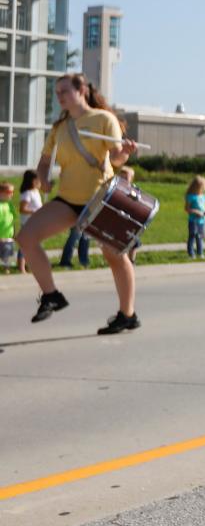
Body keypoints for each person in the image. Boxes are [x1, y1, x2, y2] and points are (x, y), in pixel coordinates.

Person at [17, 73, 141, 333]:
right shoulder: (59, 128)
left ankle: (127, 314)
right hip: (68, 199)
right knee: (26, 237)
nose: (59, 96)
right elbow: (43, 162)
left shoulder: (103, 119)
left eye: (64, 91)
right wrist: (43, 177)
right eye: (57, 92)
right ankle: (51, 295)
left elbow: (117, 158)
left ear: (81, 90)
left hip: (100, 199)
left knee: (114, 255)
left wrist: (125, 152)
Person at [17, 169, 42, 273]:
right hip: (28, 223)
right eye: (38, 180)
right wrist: (34, 211)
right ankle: (21, 267)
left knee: (34, 246)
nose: (40, 182)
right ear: (32, 180)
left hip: (36, 224)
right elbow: (22, 209)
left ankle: (31, 264)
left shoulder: (36, 192)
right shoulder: (27, 193)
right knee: (25, 246)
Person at [185, 175, 205, 258]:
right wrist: (196, 212)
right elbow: (187, 209)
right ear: (198, 187)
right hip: (193, 221)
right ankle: (191, 254)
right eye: (204, 186)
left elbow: (204, 206)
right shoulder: (191, 197)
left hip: (201, 221)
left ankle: (200, 253)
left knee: (200, 237)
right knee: (192, 236)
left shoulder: (203, 197)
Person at [0, 182, 16, 271]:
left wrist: (14, 232)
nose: (12, 194)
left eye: (13, 192)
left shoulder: (10, 205)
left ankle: (7, 268)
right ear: (1, 193)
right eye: (9, 192)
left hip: (8, 236)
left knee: (8, 253)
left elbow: (13, 220)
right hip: (0, 236)